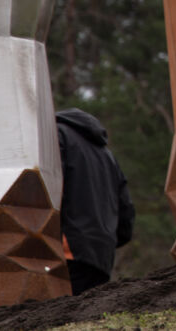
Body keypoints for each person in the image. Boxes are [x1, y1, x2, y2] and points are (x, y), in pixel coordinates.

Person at [56, 108, 135, 294]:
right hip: (101, 257)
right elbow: (126, 217)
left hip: (68, 250)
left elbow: (48, 188)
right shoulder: (107, 155)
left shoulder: (56, 137)